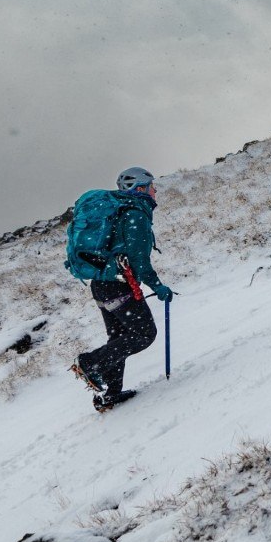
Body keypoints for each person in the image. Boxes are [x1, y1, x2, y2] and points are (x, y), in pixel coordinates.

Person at [70, 166, 173, 412]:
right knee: (143, 335)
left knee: (119, 339)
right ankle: (90, 363)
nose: (155, 190)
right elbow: (139, 261)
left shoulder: (120, 211)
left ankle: (110, 394)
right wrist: (158, 286)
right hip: (118, 285)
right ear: (140, 188)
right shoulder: (135, 214)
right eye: (151, 186)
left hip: (102, 285)